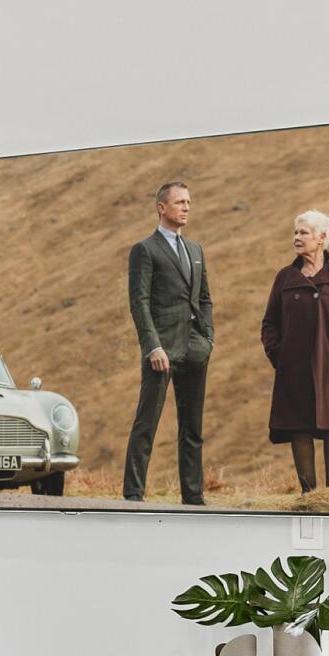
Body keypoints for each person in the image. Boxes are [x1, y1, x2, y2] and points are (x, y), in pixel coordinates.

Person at [259, 207, 329, 493]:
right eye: (296, 232)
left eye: (303, 232)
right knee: (299, 427)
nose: (297, 237)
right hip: (293, 368)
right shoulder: (284, 277)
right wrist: (279, 355)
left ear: (322, 237)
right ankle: (308, 495)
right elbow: (270, 323)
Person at [123, 181, 213, 504]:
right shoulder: (144, 250)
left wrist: (208, 339)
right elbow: (139, 302)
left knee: (193, 428)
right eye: (179, 202)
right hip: (161, 351)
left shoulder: (196, 250)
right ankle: (133, 494)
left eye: (189, 201)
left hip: (194, 349)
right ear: (162, 207)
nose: (186, 207)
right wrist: (152, 346)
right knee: (147, 424)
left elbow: (204, 299)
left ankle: (193, 495)